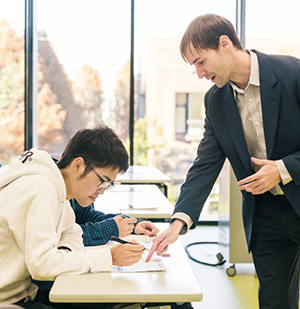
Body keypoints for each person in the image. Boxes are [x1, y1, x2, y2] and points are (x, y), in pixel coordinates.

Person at [146, 13, 300, 309]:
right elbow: (205, 163)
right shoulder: (215, 101)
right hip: (266, 213)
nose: (200, 73)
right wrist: (178, 222)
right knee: (274, 301)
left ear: (225, 43)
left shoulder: (292, 74)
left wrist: (282, 170)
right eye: (194, 67)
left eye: (201, 61)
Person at [0, 125, 145, 308]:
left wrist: (63, 253)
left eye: (108, 185)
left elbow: (73, 235)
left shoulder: (61, 192)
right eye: (103, 181)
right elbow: (43, 265)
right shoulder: (41, 188)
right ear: (78, 164)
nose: (102, 191)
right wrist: (109, 257)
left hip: (24, 292)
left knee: (122, 299)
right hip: (8, 299)